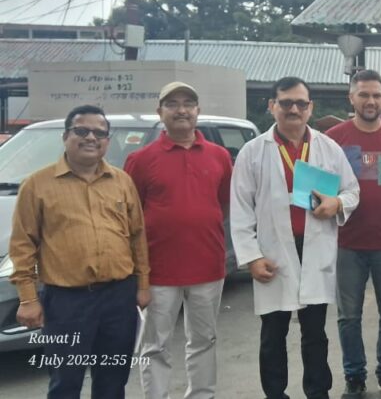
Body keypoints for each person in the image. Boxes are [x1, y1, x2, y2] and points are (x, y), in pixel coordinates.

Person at [231, 76, 359, 399]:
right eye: (286, 102)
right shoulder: (252, 152)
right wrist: (251, 257)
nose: (294, 109)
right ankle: (275, 393)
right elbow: (241, 208)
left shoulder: (327, 148)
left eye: (301, 103)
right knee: (272, 333)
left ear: (310, 108)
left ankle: (318, 392)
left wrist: (338, 203)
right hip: (272, 253)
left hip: (314, 250)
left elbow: (352, 190)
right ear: (272, 106)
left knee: (315, 333)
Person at [10, 105, 150, 398]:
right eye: (82, 131)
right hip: (66, 302)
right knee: (66, 381)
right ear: (66, 136)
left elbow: (137, 236)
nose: (91, 138)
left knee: (113, 379)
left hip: (118, 298)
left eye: (99, 133)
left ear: (107, 141)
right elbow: (23, 246)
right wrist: (27, 299)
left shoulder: (122, 181)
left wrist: (142, 285)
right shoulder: (37, 185)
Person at [125, 82, 234, 399]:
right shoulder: (141, 160)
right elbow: (131, 216)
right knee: (154, 345)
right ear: (160, 113)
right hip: (157, 270)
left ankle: (201, 394)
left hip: (208, 266)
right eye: (172, 103)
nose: (182, 109)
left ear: (198, 111)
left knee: (204, 340)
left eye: (188, 103)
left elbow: (224, 205)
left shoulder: (219, 156)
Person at [326, 69, 381, 399]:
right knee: (349, 316)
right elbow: (319, 189)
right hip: (347, 242)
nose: (370, 100)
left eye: (376, 95)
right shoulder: (334, 138)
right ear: (351, 97)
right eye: (363, 94)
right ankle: (354, 376)